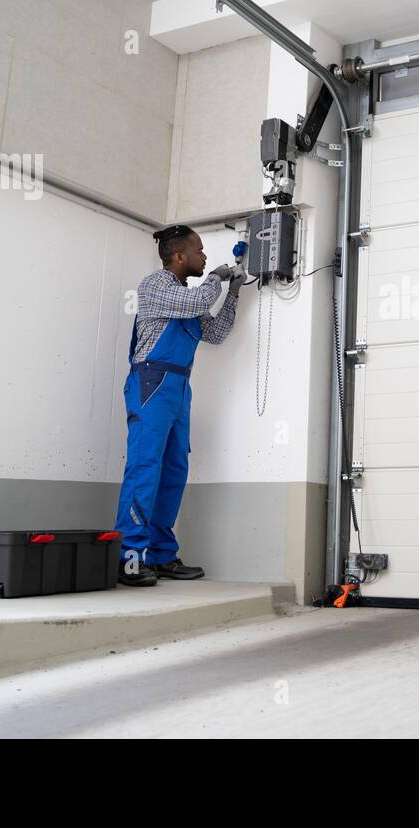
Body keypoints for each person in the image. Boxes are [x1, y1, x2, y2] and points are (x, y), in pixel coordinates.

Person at [114, 224, 242, 586]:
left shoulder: (187, 299)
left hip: (179, 388)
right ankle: (130, 559)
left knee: (173, 473)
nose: (204, 257)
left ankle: (161, 556)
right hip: (151, 384)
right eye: (199, 251)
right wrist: (217, 278)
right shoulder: (155, 287)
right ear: (178, 256)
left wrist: (232, 293)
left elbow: (215, 333)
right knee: (144, 468)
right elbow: (199, 301)